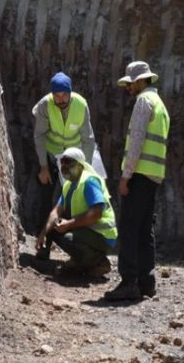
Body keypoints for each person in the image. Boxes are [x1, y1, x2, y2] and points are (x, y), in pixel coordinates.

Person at [105, 61, 170, 300]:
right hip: (153, 175)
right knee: (145, 229)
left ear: (141, 81)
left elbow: (136, 142)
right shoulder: (160, 104)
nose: (128, 88)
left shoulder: (144, 102)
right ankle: (146, 282)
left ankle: (129, 282)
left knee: (130, 228)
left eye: (131, 83)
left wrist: (126, 175)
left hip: (139, 174)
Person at [32, 72, 105, 259]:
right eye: (56, 95)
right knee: (46, 197)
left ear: (70, 93)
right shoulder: (44, 106)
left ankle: (78, 248)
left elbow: (88, 139)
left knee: (74, 199)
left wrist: (85, 170)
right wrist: (44, 167)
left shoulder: (81, 105)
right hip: (51, 154)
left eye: (64, 95)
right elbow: (39, 136)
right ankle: (43, 246)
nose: (60, 99)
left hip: (74, 156)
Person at [36, 147, 117, 277]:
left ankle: (99, 262)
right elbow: (56, 211)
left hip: (102, 235)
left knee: (68, 238)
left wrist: (68, 225)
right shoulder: (69, 185)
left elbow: (96, 213)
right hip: (86, 229)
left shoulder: (89, 181)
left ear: (80, 166)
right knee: (52, 226)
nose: (64, 166)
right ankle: (81, 261)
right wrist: (44, 233)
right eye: (62, 162)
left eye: (69, 162)